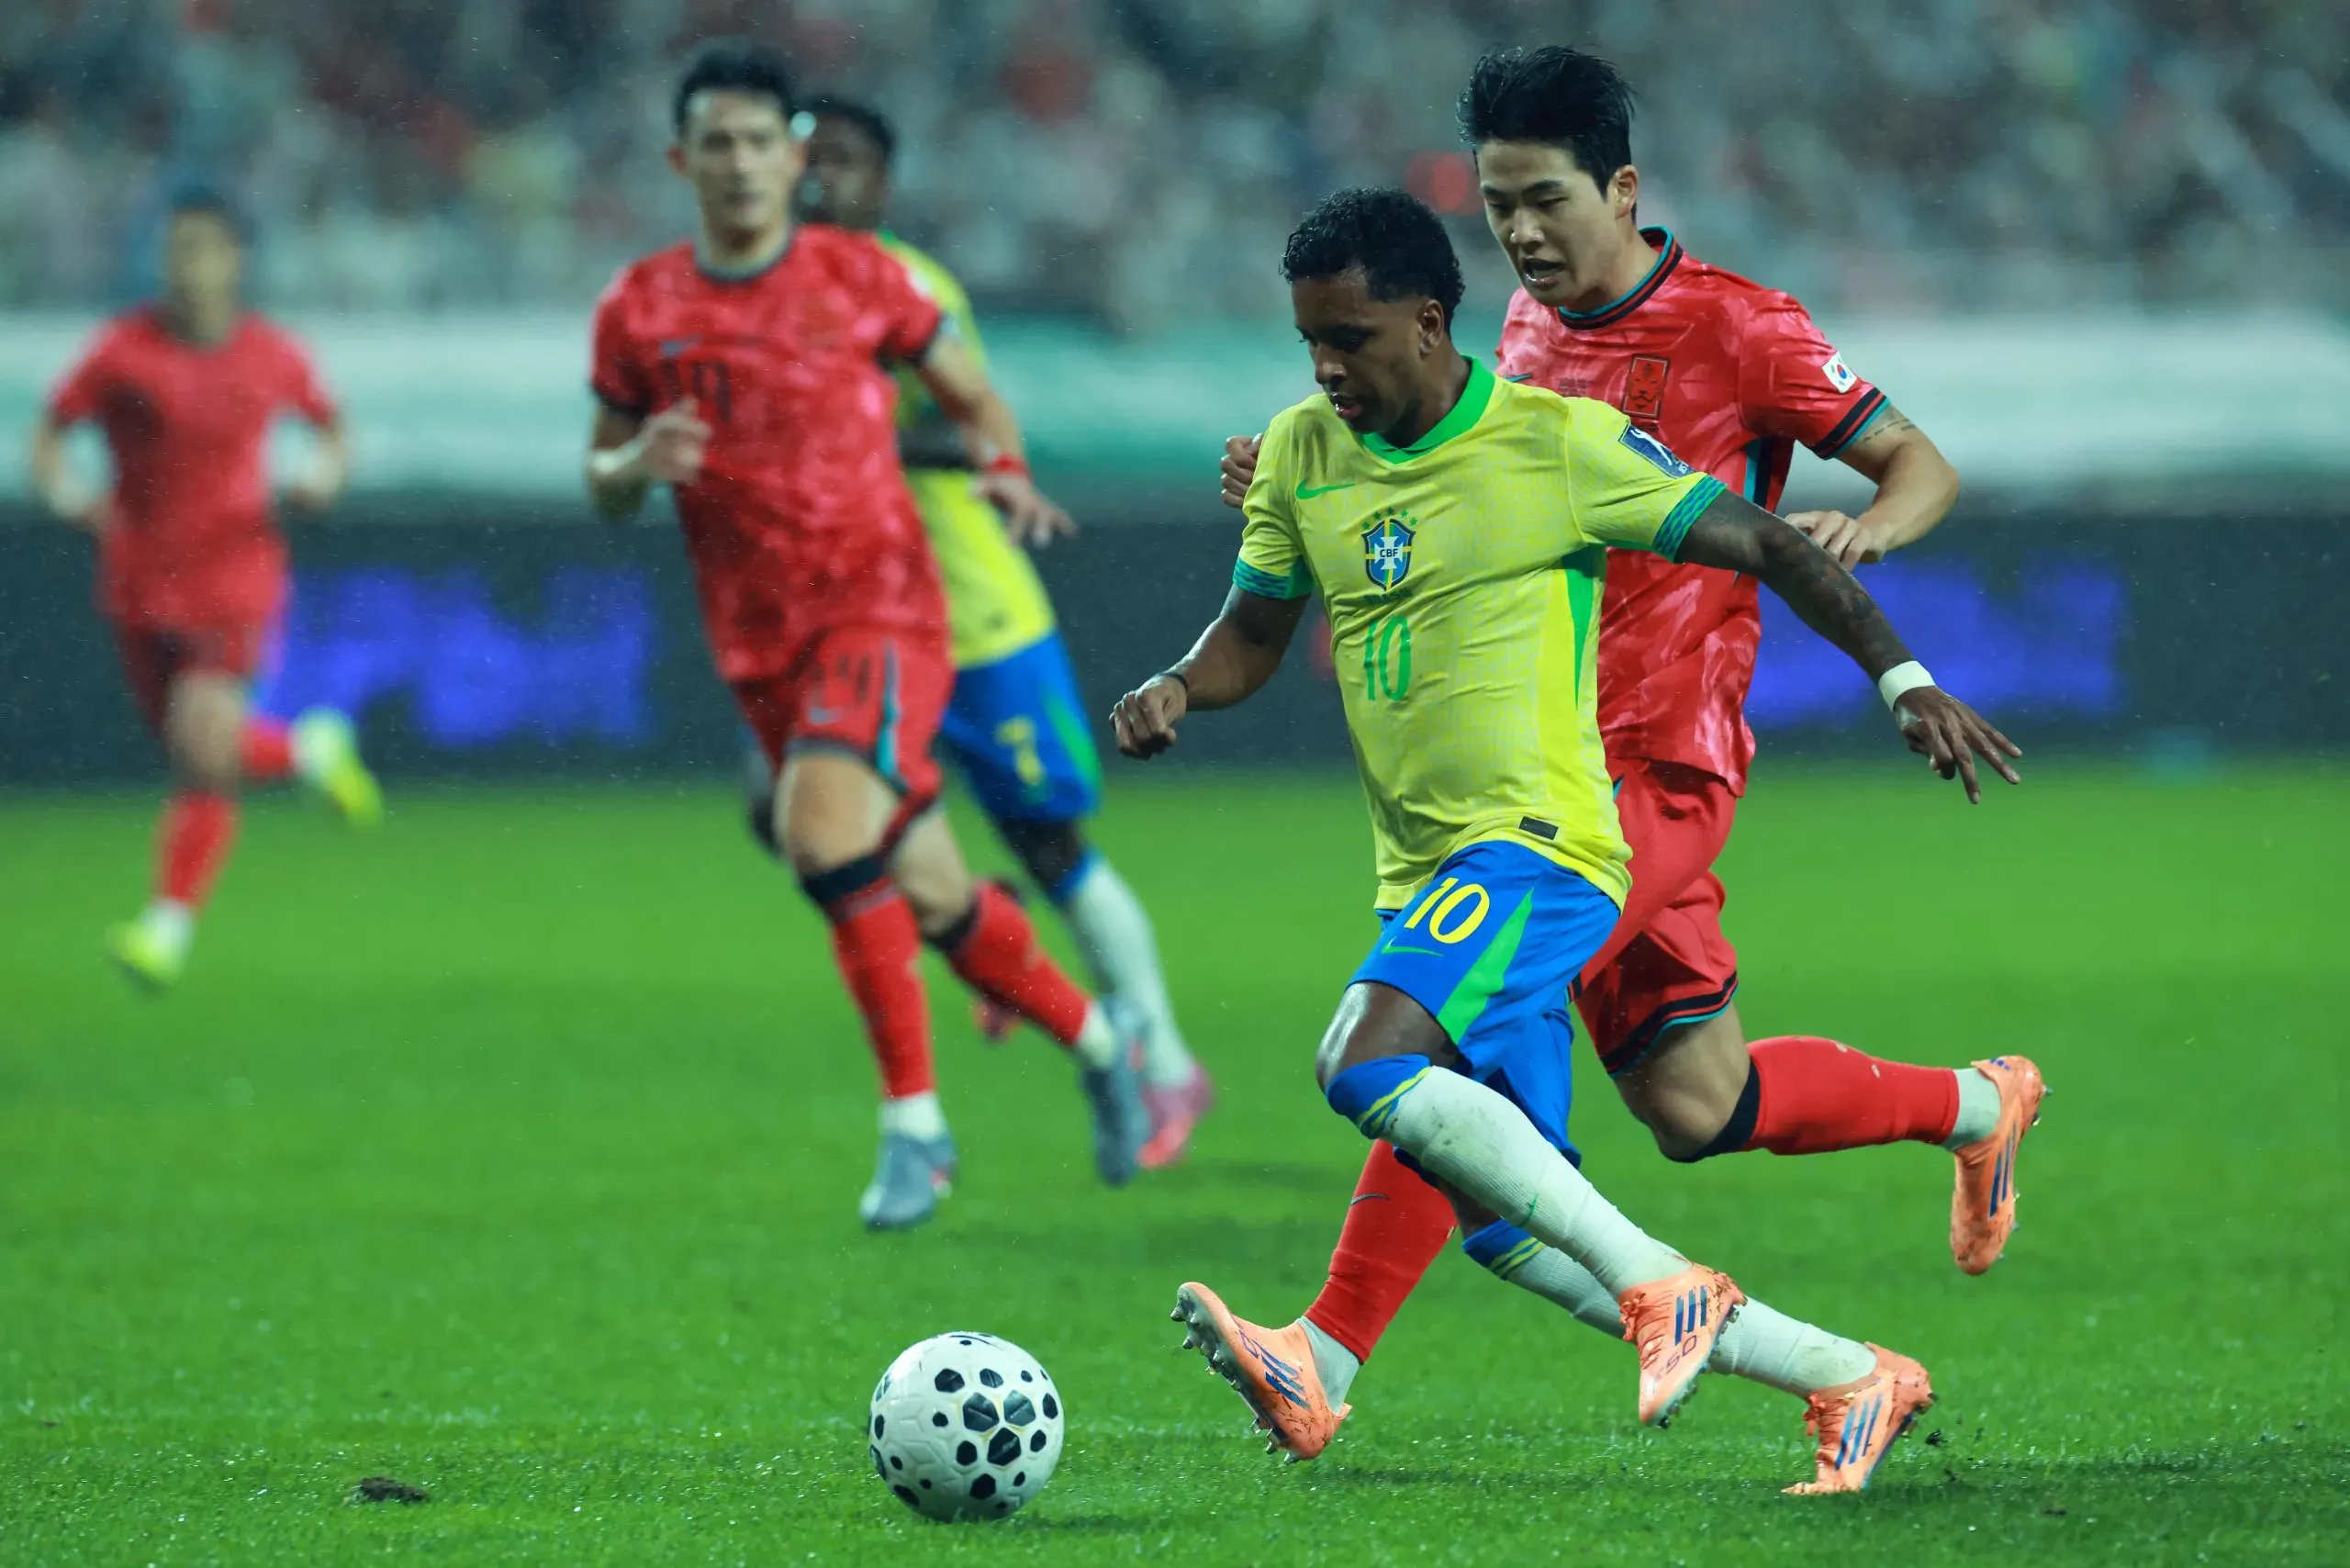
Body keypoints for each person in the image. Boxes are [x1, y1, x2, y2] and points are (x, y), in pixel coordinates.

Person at [1199, 46, 2047, 1466]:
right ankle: (1968, 1122)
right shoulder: (1508, 337)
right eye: (1496, 207)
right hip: (1529, 762)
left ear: (1624, 187)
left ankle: (1324, 1348)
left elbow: (1921, 466)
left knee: (1441, 1027)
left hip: (1650, 765)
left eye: (1545, 200)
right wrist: (1319, 448)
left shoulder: (1743, 328)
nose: (1521, 234)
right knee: (1694, 1105)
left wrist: (1867, 540)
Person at [584, 40, 1147, 1232]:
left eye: (758, 142)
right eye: (716, 144)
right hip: (757, 644)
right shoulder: (640, 308)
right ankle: (1102, 1046)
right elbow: (601, 475)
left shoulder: (862, 280)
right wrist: (634, 464)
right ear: (682, 160)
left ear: (792, 159)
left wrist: (1001, 465)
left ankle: (916, 1132)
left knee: (815, 827)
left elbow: (973, 396)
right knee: (932, 895)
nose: (738, 164)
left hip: (882, 608)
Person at [761, 95, 1211, 1167]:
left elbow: (977, 432)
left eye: (848, 161)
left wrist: (837, 447)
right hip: (853, 626)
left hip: (974, 625)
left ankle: (1164, 1061)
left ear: (886, 181)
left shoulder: (909, 290)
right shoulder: (768, 297)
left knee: (1052, 842)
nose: (823, 178)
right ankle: (977, 914)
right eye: (806, 158)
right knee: (791, 820)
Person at [28, 186, 380, 992]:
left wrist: (322, 477)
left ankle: (164, 929)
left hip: (234, 581)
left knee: (199, 754)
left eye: (204, 249)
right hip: (138, 583)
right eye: (176, 250)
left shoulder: (272, 353)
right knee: (202, 752)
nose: (188, 268)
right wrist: (67, 494)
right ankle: (305, 748)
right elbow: (50, 435)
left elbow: (331, 426)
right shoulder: (122, 352)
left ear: (236, 260)